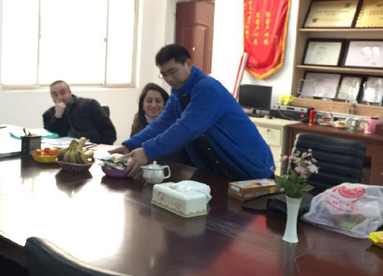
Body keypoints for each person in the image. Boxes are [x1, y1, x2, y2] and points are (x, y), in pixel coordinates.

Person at [112, 44, 274, 180]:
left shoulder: (207, 89)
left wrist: (147, 151)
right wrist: (130, 145)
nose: (169, 79)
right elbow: (162, 124)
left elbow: (185, 128)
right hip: (218, 171)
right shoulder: (179, 93)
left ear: (188, 64)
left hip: (249, 167)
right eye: (164, 74)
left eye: (172, 72)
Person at [43, 80, 116, 144]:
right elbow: (49, 139)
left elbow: (110, 131)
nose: (60, 97)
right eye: (55, 95)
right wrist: (57, 116)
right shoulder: (48, 114)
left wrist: (102, 147)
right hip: (63, 151)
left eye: (63, 93)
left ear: (70, 92)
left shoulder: (89, 105)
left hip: (91, 148)